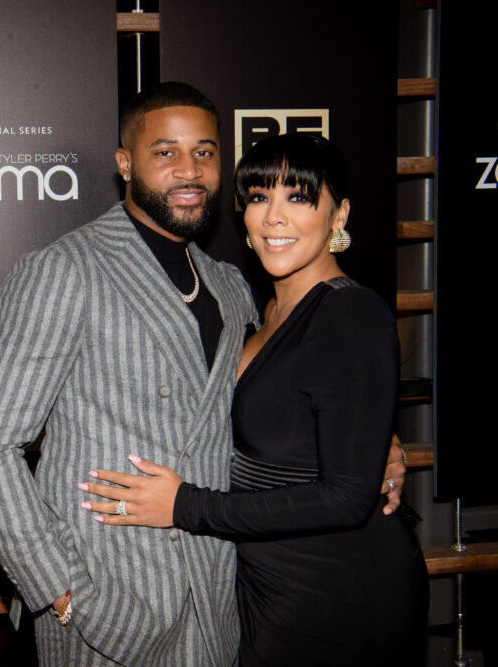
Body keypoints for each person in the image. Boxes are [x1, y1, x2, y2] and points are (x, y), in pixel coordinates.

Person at [0, 84, 406, 666]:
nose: (189, 170)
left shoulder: (231, 285)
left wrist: (372, 446)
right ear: (125, 164)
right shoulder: (64, 269)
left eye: (204, 152)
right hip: (107, 602)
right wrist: (61, 592)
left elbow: (281, 402)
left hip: (220, 604)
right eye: (165, 152)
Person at [80, 133, 428, 667]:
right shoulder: (256, 312)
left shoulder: (349, 314)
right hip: (266, 585)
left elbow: (345, 498)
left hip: (338, 593)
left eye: (299, 197)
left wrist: (183, 505)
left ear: (339, 215)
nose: (274, 217)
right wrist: (377, 436)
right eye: (261, 197)